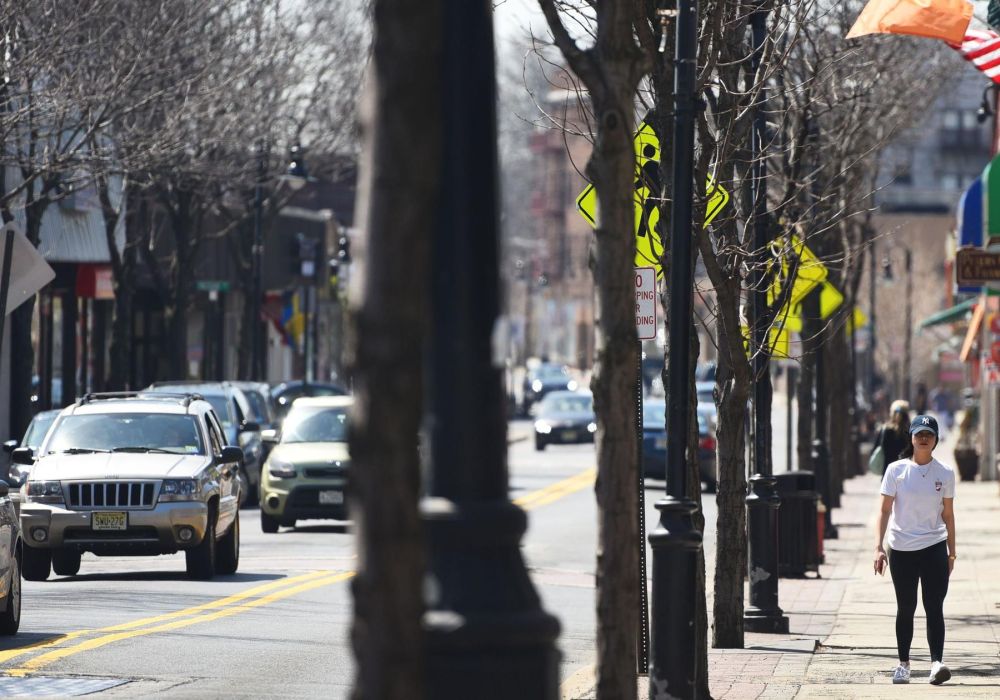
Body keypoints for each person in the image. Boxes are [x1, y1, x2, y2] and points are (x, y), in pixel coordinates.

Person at [874, 414, 956, 686]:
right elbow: (884, 511)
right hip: (901, 548)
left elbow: (949, 515)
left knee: (934, 607)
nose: (923, 438)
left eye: (929, 434)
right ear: (911, 437)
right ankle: (903, 664)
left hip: (933, 546)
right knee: (906, 607)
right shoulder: (896, 470)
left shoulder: (944, 473)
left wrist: (951, 552)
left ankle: (936, 664)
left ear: (935, 440)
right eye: (919, 433)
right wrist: (879, 548)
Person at [871, 400, 910, 474]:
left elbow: (874, 449)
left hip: (887, 474)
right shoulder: (911, 432)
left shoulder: (885, 430)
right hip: (905, 475)